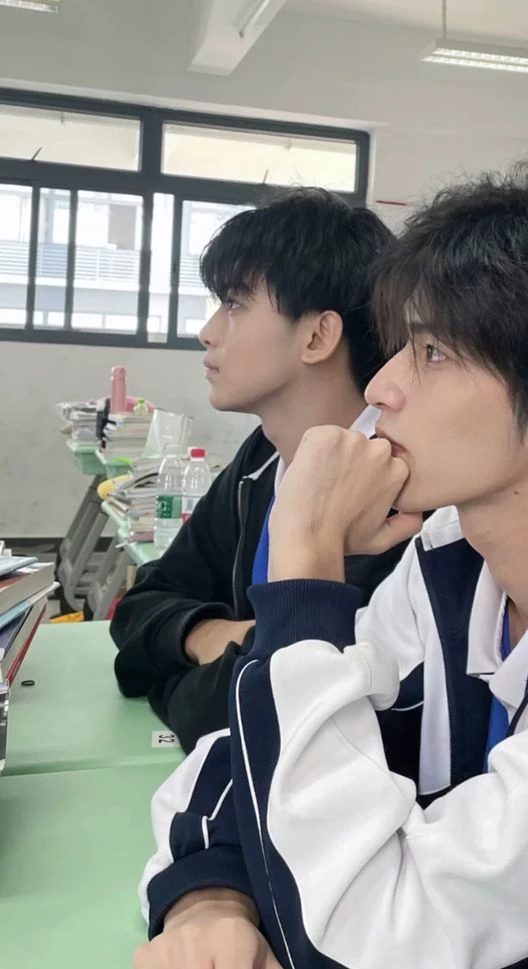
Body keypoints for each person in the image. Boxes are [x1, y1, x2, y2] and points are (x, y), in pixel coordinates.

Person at [134, 168, 528, 969]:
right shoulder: (450, 562)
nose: (382, 384)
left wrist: (306, 569)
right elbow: (239, 754)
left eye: (432, 352)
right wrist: (211, 897)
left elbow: (371, 941)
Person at [111, 188, 408, 753]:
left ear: (317, 336)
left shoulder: (397, 497)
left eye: (234, 304)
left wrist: (177, 674)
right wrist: (210, 635)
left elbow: (239, 714)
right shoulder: (264, 456)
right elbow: (140, 606)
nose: (208, 331)